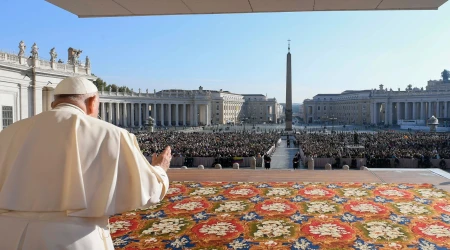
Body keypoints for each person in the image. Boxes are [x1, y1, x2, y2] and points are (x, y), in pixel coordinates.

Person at [0, 76, 171, 250]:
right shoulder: (112, 134)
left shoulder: (8, 134)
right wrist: (160, 169)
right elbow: (148, 190)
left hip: (9, 238)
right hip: (75, 240)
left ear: (54, 103)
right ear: (92, 102)